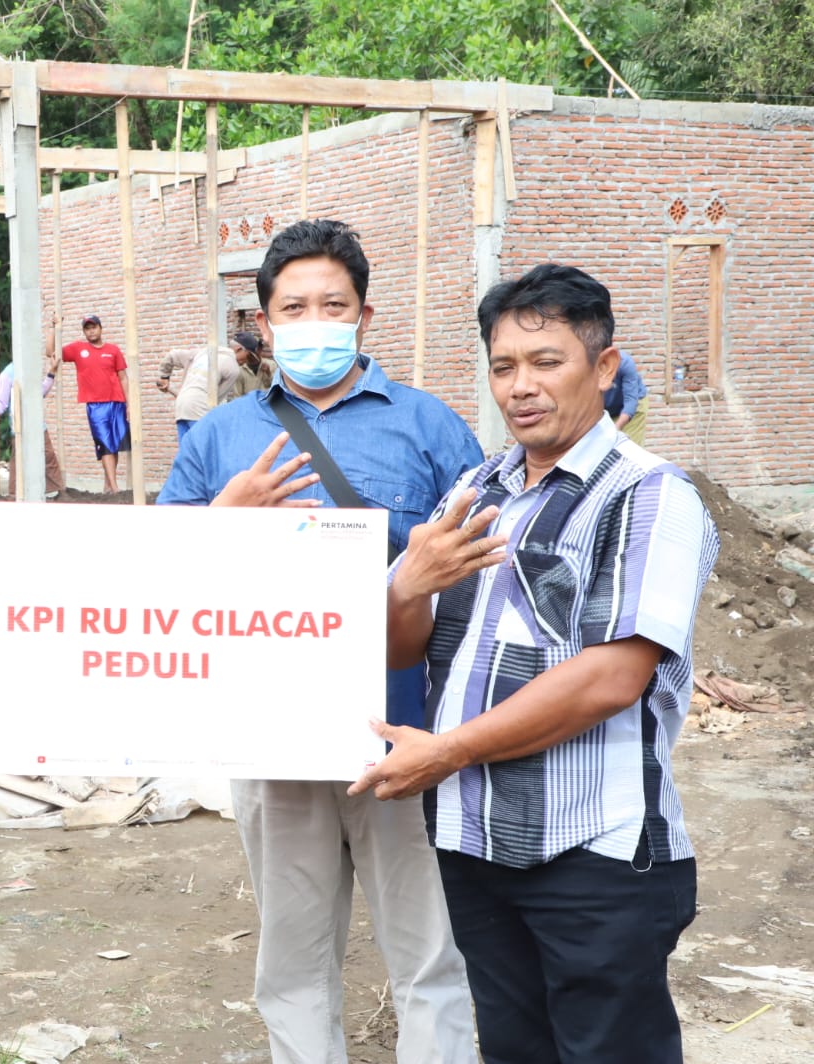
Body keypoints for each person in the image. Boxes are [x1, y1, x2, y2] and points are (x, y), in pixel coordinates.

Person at [353, 263, 720, 1064]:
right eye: (503, 366)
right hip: (475, 843)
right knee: (516, 1049)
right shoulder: (478, 489)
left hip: (594, 854)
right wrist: (408, 587)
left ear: (604, 367)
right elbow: (400, 647)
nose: (521, 386)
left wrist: (446, 751)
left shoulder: (648, 496)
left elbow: (612, 675)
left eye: (546, 361)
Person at [158, 219, 479, 1064]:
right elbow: (152, 578)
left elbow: (483, 577)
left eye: (332, 304)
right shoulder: (220, 437)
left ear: (364, 315)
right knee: (292, 958)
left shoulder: (430, 428)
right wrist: (222, 521)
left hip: (401, 731)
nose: (314, 320)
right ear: (263, 324)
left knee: (430, 951)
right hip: (269, 732)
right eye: (293, 307)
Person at [58, 313, 131, 493]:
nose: (91, 332)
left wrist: (129, 404)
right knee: (104, 443)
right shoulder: (77, 349)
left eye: (94, 327)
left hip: (117, 401)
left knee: (114, 444)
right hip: (96, 405)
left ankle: (108, 485)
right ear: (84, 332)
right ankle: (115, 489)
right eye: (87, 329)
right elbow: (50, 352)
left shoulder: (113, 350)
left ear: (100, 328)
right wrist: (54, 327)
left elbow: (123, 378)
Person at [0, 338, 63, 498]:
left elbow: (41, 392)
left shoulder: (31, 370)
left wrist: (51, 373)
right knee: (18, 459)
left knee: (48, 455)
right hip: (19, 426)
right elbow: (2, 399)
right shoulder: (8, 374)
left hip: (38, 425)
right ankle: (14, 494)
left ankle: (56, 492)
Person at [156, 343, 240, 441]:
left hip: (181, 407)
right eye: (250, 355)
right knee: (203, 450)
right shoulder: (233, 367)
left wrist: (164, 377)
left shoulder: (200, 353)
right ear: (240, 349)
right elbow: (214, 399)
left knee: (186, 451)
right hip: (199, 410)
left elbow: (172, 355)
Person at [603, 347, 649, 443]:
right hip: (607, 408)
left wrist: (617, 427)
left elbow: (631, 400)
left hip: (633, 406)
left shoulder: (625, 363)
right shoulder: (587, 364)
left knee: (628, 446)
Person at [229, 330, 276, 399]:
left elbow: (276, 388)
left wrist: (268, 373)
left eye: (258, 348)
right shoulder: (240, 369)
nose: (256, 350)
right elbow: (237, 395)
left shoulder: (271, 365)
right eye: (254, 348)